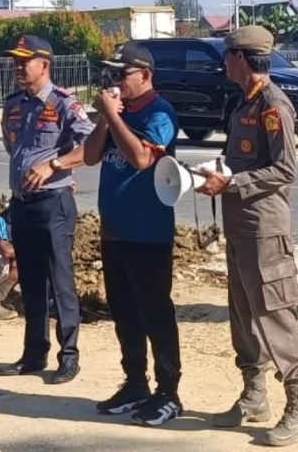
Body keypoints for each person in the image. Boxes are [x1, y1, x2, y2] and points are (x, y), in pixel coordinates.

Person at [196, 26, 298, 447]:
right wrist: (214, 174)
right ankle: (254, 395)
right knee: (243, 314)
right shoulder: (242, 102)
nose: (223, 62)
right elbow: (240, 161)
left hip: (265, 229)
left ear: (244, 59)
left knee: (274, 314)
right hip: (239, 226)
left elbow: (285, 169)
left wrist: (232, 184)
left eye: (228, 55)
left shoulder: (273, 105)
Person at [83, 42, 183, 427]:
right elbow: (91, 156)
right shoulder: (117, 112)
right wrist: (106, 118)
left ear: (145, 75)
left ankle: (168, 392)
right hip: (115, 232)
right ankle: (135, 382)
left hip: (148, 233)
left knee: (155, 313)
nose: (115, 82)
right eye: (110, 74)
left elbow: (142, 158)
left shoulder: (160, 112)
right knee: (124, 313)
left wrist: (114, 116)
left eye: (121, 75)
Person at [0, 34, 94, 385]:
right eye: (16, 61)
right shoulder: (14, 105)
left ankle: (69, 356)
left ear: (45, 65)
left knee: (60, 281)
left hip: (54, 204)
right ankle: (34, 353)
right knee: (32, 281)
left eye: (25, 61)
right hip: (23, 204)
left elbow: (91, 146)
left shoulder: (65, 104)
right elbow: (13, 146)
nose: (19, 67)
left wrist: (55, 165)